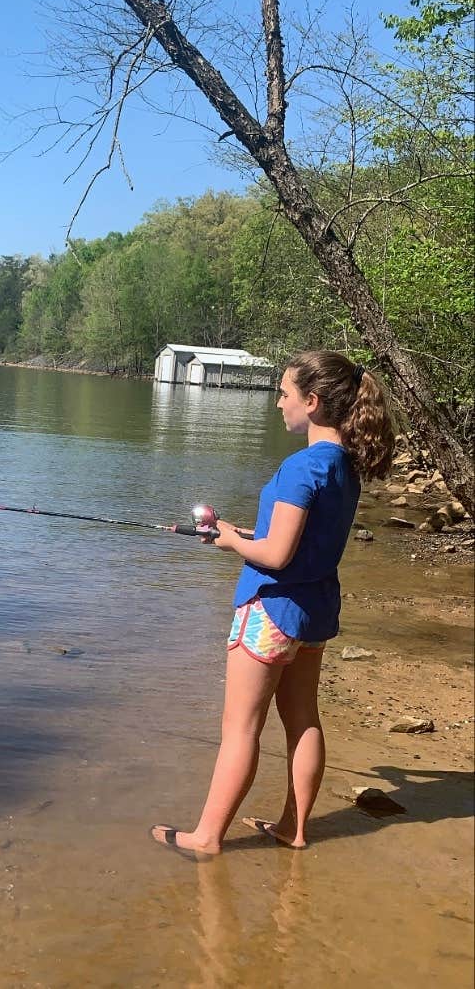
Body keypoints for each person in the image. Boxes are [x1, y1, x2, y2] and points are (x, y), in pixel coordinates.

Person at [151, 350, 395, 854]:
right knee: (304, 719)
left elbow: (277, 554)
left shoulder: (301, 466)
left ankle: (207, 837)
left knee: (240, 730)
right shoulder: (345, 467)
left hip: (270, 609)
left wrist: (229, 542)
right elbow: (298, 540)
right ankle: (294, 828)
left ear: (313, 401)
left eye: (284, 394)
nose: (278, 403)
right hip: (314, 613)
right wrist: (241, 533)